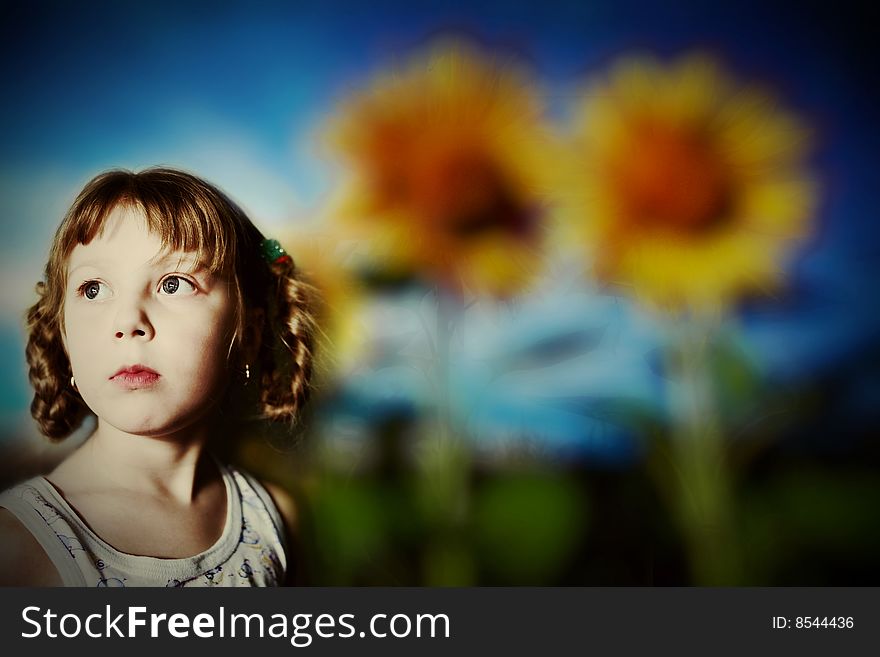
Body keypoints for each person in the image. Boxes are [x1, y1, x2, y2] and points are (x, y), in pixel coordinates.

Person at [0, 167, 315, 586]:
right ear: (65, 339)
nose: (128, 320)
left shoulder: (275, 521)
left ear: (248, 335)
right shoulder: (18, 545)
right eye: (93, 289)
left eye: (173, 283)